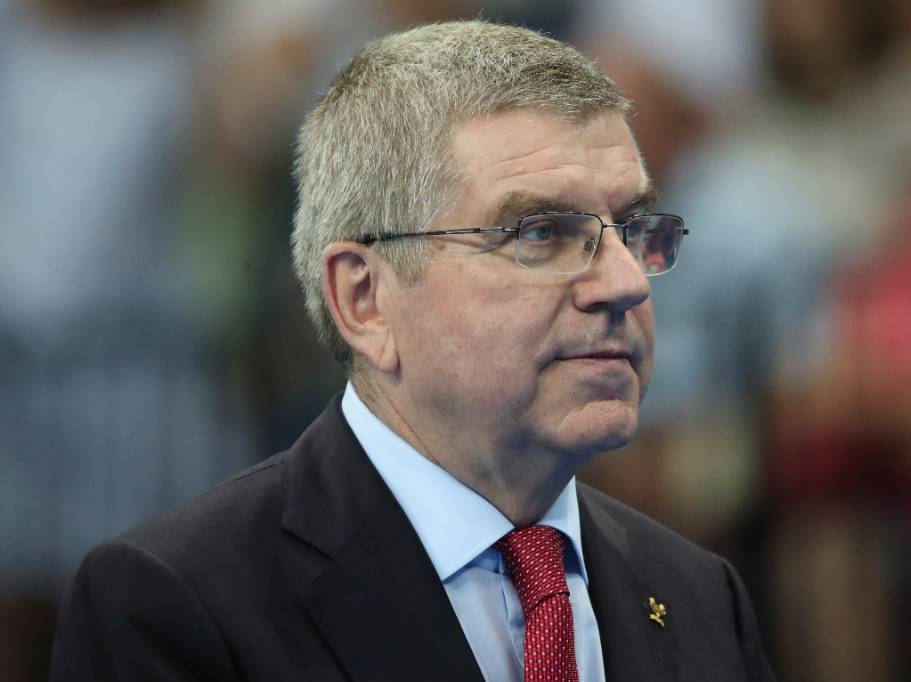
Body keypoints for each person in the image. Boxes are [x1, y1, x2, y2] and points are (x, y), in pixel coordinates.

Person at [49, 20, 775, 681]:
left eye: (633, 228)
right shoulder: (172, 605)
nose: (625, 283)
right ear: (365, 299)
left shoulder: (701, 596)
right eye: (540, 233)